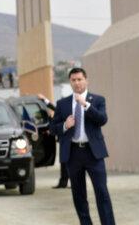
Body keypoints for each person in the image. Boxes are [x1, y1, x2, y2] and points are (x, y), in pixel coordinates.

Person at [50, 68, 115, 225]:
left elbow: (102, 119)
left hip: (93, 154)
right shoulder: (62, 103)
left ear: (86, 80)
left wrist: (85, 105)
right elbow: (52, 128)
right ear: (70, 82)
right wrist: (65, 125)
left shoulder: (98, 100)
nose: (77, 83)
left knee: (102, 192)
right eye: (73, 80)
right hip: (73, 154)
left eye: (80, 79)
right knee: (78, 195)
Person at [37, 93, 69, 189]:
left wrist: (44, 99)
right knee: (64, 162)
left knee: (67, 162)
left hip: (68, 140)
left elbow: (54, 108)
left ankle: (67, 182)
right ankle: (63, 182)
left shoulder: (66, 112)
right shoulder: (60, 114)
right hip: (63, 140)